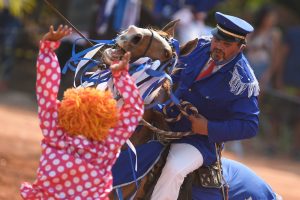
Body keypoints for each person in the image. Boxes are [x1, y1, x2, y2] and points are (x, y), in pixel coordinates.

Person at [20, 25, 144, 199]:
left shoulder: (56, 134)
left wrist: (48, 49)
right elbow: (135, 110)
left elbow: (46, 91)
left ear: (67, 111)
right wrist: (121, 76)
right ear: (106, 118)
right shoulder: (107, 146)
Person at [151, 12, 260, 200]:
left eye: (226, 44)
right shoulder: (198, 46)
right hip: (162, 118)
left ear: (240, 48)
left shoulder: (243, 81)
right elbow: (171, 76)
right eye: (217, 39)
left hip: (196, 140)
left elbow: (250, 126)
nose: (218, 46)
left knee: (173, 170)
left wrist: (208, 128)